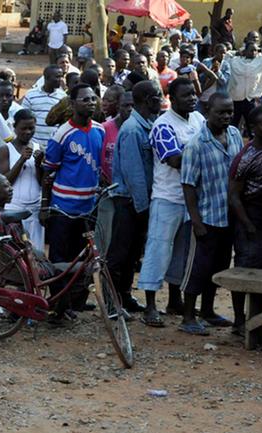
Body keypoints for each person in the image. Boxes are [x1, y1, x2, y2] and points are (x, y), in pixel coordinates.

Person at [138, 78, 205, 327]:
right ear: (172, 99)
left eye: (193, 94)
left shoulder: (198, 120)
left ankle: (174, 301)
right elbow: (174, 160)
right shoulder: (162, 126)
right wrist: (202, 153)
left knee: (183, 253)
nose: (192, 98)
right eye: (186, 95)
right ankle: (150, 305)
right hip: (167, 198)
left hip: (192, 200)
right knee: (158, 251)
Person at [178, 93, 242, 335]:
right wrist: (196, 221)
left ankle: (207, 311)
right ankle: (187, 316)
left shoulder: (235, 135)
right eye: (221, 113)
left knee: (219, 267)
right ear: (208, 112)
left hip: (228, 218)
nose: (226, 117)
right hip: (206, 217)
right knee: (198, 267)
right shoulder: (196, 144)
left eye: (229, 112)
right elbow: (188, 185)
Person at [40, 83, 105, 318]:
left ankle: (74, 302)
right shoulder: (62, 134)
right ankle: (58, 306)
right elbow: (48, 173)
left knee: (83, 258)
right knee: (60, 260)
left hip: (88, 207)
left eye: (92, 99)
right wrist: (44, 205)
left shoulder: (100, 131)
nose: (90, 103)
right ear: (73, 103)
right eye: (85, 99)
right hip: (62, 208)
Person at [108, 81, 163, 314]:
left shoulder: (146, 125)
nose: (160, 100)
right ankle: (111, 301)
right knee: (119, 254)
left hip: (138, 201)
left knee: (132, 254)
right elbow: (135, 175)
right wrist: (144, 207)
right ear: (147, 100)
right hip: (129, 201)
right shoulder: (132, 131)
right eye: (157, 96)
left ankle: (125, 295)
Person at [227, 105, 262, 332]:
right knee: (245, 268)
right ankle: (239, 319)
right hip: (250, 216)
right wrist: (248, 225)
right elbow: (234, 195)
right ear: (253, 128)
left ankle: (259, 318)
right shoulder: (246, 158)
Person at [0, 108, 45, 250]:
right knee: (15, 253)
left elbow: (42, 182)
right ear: (15, 128)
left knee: (36, 253)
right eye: (23, 128)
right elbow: (5, 181)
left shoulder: (39, 148)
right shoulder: (6, 149)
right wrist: (21, 160)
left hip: (34, 209)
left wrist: (38, 164)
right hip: (14, 208)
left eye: (31, 128)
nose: (28, 132)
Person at [225, 42, 262, 134]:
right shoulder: (235, 60)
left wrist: (260, 49)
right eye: (251, 50)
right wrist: (237, 52)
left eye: (255, 50)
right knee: (232, 125)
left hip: (252, 100)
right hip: (235, 99)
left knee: (253, 126)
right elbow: (226, 55)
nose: (254, 52)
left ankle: (253, 144)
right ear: (245, 51)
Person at [21, 65, 66, 147]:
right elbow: (23, 118)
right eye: (57, 77)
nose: (61, 80)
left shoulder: (63, 97)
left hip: (54, 144)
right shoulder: (31, 95)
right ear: (47, 78)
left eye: (62, 76)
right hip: (34, 144)